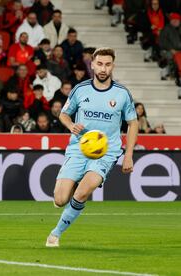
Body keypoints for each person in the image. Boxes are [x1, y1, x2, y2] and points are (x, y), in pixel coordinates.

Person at [45, 47, 138, 247]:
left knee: (83, 192)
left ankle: (55, 233)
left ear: (113, 66)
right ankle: (68, 193)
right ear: (93, 65)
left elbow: (133, 123)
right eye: (100, 64)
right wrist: (71, 125)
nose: (103, 68)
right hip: (79, 148)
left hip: (106, 152)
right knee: (61, 199)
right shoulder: (81, 89)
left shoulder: (122, 94)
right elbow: (63, 114)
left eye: (108, 64)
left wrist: (128, 154)